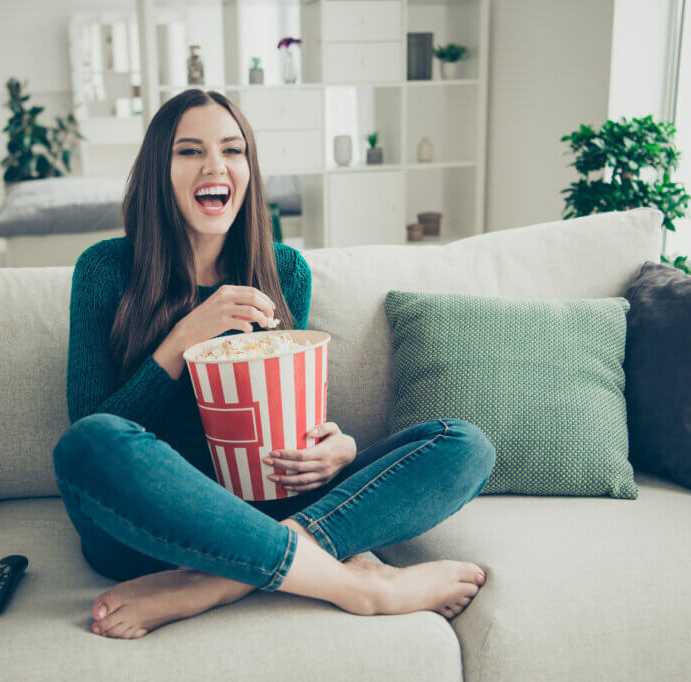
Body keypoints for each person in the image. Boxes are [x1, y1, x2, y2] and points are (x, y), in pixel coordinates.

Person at [53, 89, 496, 641]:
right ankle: (354, 587)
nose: (215, 165)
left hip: (266, 504)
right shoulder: (104, 270)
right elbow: (94, 426)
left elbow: (285, 418)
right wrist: (183, 339)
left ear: (249, 168)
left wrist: (336, 449)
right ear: (156, 171)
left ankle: (210, 585)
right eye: (190, 151)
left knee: (464, 444)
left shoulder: (283, 271)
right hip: (152, 528)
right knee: (88, 443)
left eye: (232, 150)